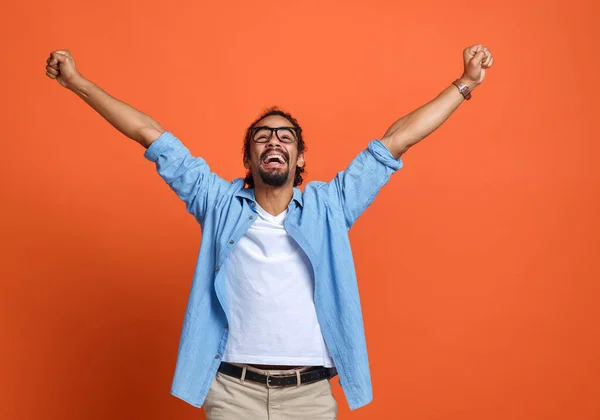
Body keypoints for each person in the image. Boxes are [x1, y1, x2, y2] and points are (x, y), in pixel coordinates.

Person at [45, 44, 494, 420]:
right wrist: (78, 82)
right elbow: (150, 135)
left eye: (285, 136)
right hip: (231, 393)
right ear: (249, 160)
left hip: (309, 396)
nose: (274, 141)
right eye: (262, 136)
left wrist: (465, 83)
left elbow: (397, 140)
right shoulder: (217, 202)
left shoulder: (329, 206)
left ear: (299, 159)